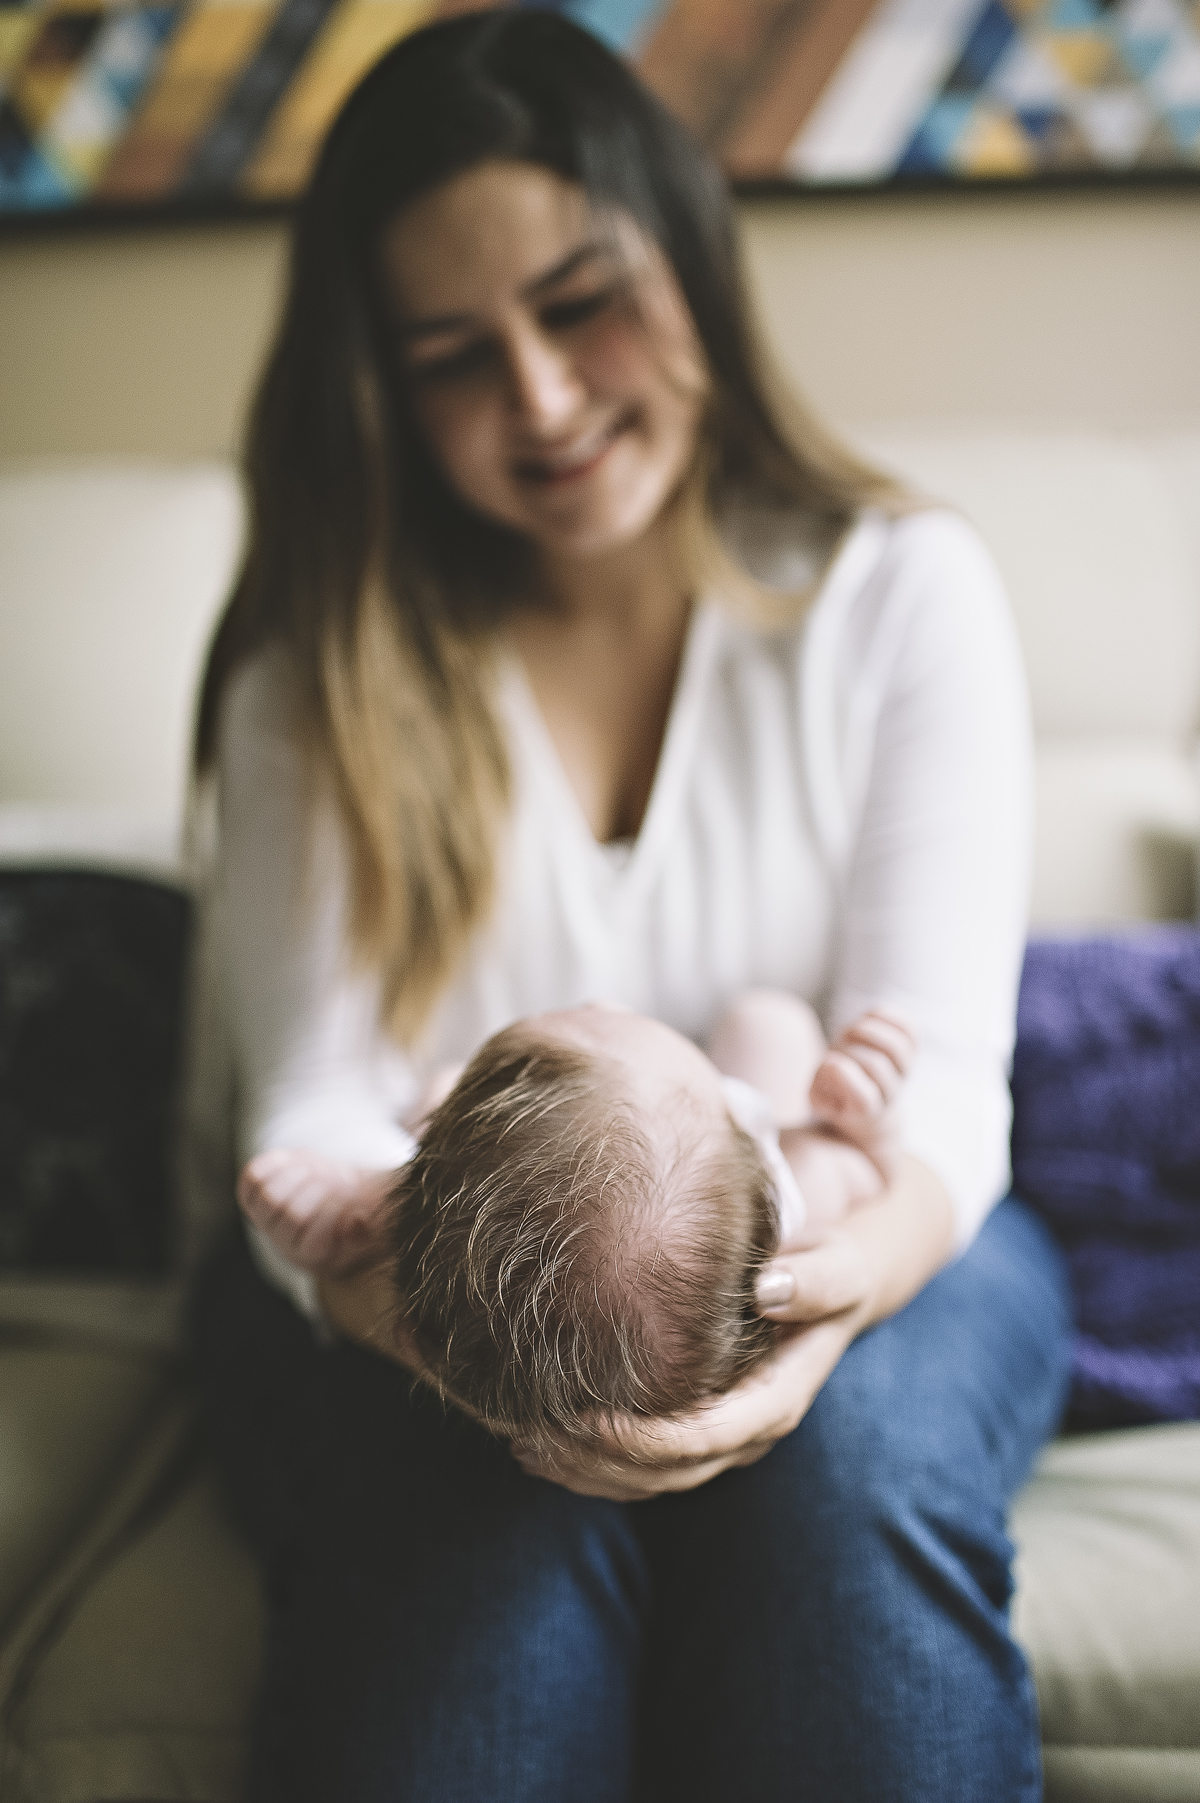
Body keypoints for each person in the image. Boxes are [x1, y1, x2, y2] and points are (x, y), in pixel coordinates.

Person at [185, 12, 1072, 1801]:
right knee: (476, 1534)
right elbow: (312, 1114)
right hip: (421, 1281)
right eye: (452, 354)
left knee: (851, 1480)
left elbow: (940, 1097)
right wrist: (480, 1347)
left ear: (688, 258)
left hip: (861, 1224)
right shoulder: (321, 669)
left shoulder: (899, 595)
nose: (539, 398)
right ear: (379, 386)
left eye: (578, 302)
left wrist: (815, 1305)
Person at [240, 996, 914, 1444]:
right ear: (736, 1126)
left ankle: (391, 1182)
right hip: (754, 1169)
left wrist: (343, 1202)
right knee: (768, 1024)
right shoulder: (792, 1194)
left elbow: (434, 1200)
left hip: (472, 1202)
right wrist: (862, 1119)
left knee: (442, 1099)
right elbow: (877, 1172)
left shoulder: (442, 1203)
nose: (603, 1003)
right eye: (605, 1022)